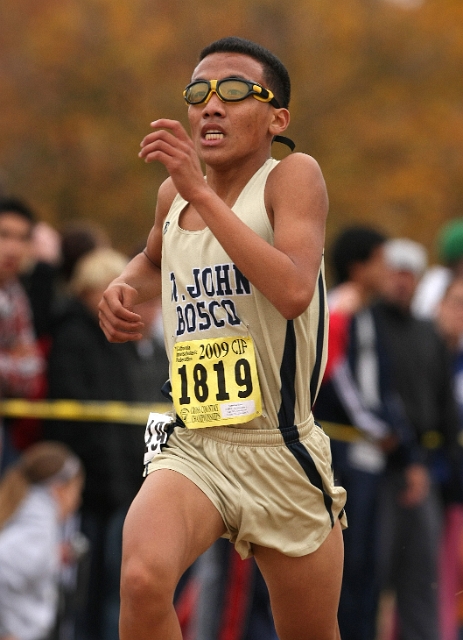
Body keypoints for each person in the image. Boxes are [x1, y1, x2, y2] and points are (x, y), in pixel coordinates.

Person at [98, 36, 347, 640]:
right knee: (140, 579)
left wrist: (202, 192)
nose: (212, 105)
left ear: (277, 118)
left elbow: (292, 291)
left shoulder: (292, 176)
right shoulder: (172, 196)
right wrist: (121, 287)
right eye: (199, 93)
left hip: (280, 445)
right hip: (197, 442)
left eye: (235, 91)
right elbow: (154, 261)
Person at [44, 246, 169, 640]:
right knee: (90, 590)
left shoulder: (124, 347)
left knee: (113, 588)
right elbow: (89, 422)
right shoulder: (77, 340)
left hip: (122, 482)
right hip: (90, 487)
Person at [0, 440, 84, 640]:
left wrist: (53, 555)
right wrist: (6, 631)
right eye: (77, 491)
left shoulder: (30, 513)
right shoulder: (38, 528)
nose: (78, 501)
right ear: (58, 489)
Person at [0, 197, 46, 471]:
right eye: (4, 235)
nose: (13, 248)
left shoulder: (16, 295)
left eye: (22, 238)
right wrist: (14, 359)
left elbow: (33, 374)